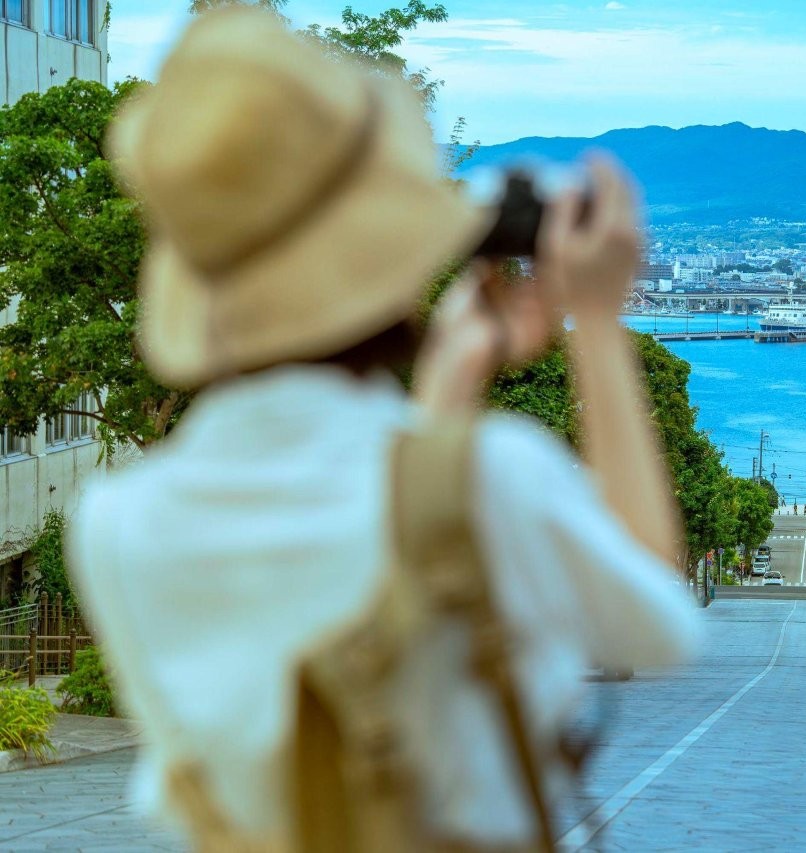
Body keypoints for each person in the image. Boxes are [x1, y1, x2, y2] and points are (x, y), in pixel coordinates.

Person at [65, 9, 698, 850]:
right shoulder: (496, 476)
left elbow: (380, 528)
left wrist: (449, 377)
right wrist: (598, 323)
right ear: (387, 247)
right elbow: (655, 615)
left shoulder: (116, 524)